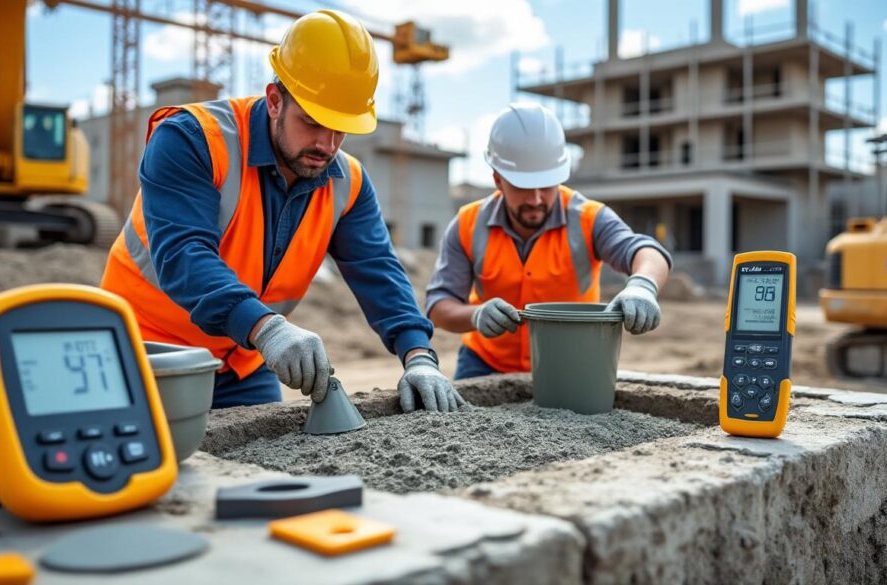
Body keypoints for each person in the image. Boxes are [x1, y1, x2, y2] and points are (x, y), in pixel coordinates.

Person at [101, 10, 463, 413]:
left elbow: (378, 269)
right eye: (312, 122)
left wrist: (418, 355)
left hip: (242, 358)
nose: (327, 145)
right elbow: (184, 254)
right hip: (146, 349)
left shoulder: (348, 182)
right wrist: (267, 328)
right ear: (275, 100)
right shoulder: (192, 139)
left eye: (340, 129)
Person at [425, 102, 672, 379]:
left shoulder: (589, 218)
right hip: (485, 362)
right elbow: (439, 306)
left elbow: (645, 251)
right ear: (497, 179)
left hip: (573, 360)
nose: (536, 199)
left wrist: (642, 286)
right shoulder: (467, 224)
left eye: (545, 185)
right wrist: (475, 315)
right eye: (522, 187)